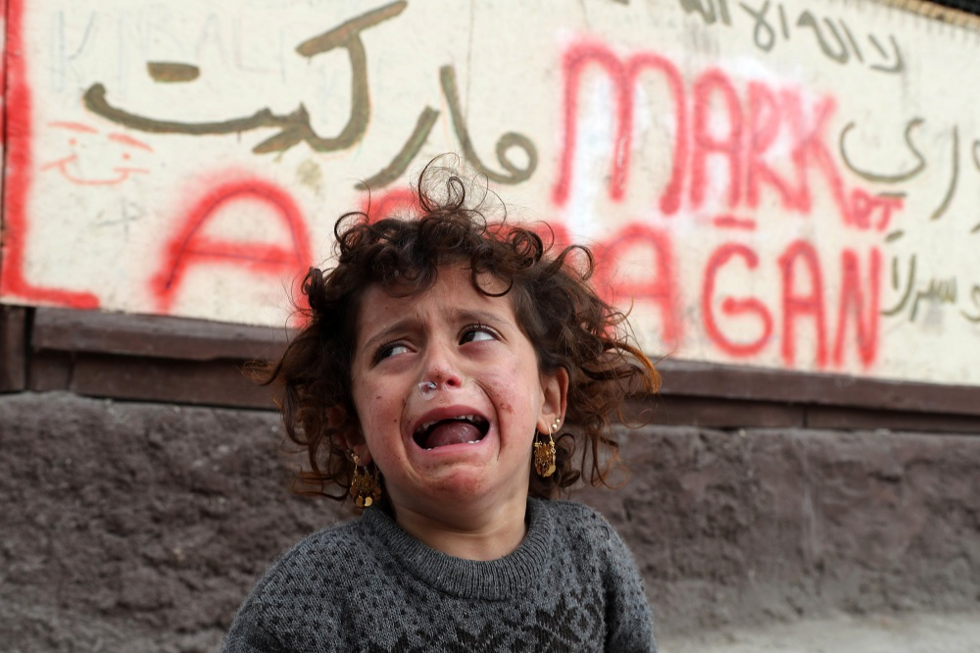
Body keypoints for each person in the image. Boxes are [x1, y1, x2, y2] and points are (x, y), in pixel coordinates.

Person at [223, 158, 660, 652]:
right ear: (353, 431)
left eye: (476, 334)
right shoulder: (308, 601)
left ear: (550, 399)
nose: (438, 368)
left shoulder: (594, 559)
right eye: (394, 349)